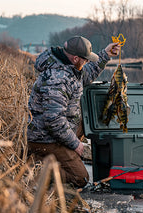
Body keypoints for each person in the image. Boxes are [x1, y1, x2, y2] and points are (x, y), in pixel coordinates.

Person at [27, 35, 121, 188]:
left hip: (55, 132)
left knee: (88, 121)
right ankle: (37, 170)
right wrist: (75, 144)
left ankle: (58, 158)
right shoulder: (57, 79)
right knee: (81, 178)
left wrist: (106, 54)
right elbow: (54, 120)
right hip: (45, 138)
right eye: (86, 59)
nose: (88, 62)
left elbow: (87, 74)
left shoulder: (68, 67)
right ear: (76, 58)